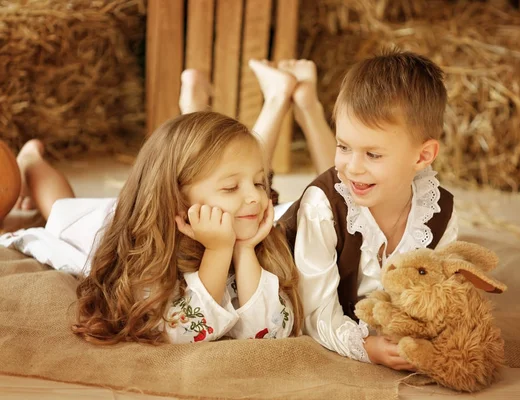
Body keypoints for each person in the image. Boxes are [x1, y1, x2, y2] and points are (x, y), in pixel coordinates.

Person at [0, 69, 303, 345]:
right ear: (178, 201)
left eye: (261, 183)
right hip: (105, 221)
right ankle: (31, 162)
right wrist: (218, 253)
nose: (257, 198)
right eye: (231, 187)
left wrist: (244, 250)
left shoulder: (262, 238)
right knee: (58, 209)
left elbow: (270, 332)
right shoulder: (146, 254)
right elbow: (182, 333)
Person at [276, 50, 459, 370]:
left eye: (373, 154)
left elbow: (446, 297)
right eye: (343, 146)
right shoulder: (320, 207)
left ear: (422, 156)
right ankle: (278, 98)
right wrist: (365, 346)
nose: (354, 166)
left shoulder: (439, 211)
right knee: (238, 187)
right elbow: (314, 310)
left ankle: (305, 103)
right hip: (264, 231)